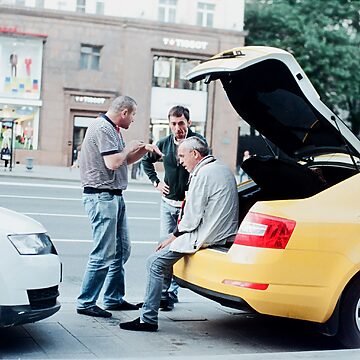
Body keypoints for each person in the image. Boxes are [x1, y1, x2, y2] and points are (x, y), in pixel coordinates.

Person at [120, 136, 239, 331]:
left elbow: (191, 219)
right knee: (162, 244)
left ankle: (148, 319)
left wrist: (173, 237)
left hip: (206, 235)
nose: (180, 161)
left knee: (154, 263)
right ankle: (163, 296)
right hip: (219, 231)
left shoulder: (203, 175)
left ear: (195, 154)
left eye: (183, 156)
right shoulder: (222, 168)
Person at [76, 95, 163, 318]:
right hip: (101, 197)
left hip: (113, 196)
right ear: (124, 112)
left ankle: (113, 298)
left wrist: (143, 149)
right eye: (133, 114)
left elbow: (123, 160)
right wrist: (129, 147)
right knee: (103, 253)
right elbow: (113, 162)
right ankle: (86, 302)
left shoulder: (112, 129)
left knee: (121, 251)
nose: (133, 119)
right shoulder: (103, 128)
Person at [141, 105, 207, 311]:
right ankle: (163, 294)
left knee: (178, 249)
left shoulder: (198, 143)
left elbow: (206, 168)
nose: (177, 128)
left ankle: (170, 293)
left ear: (188, 123)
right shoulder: (164, 144)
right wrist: (156, 183)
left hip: (187, 208)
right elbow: (146, 162)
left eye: (181, 123)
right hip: (167, 205)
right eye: (173, 124)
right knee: (164, 247)